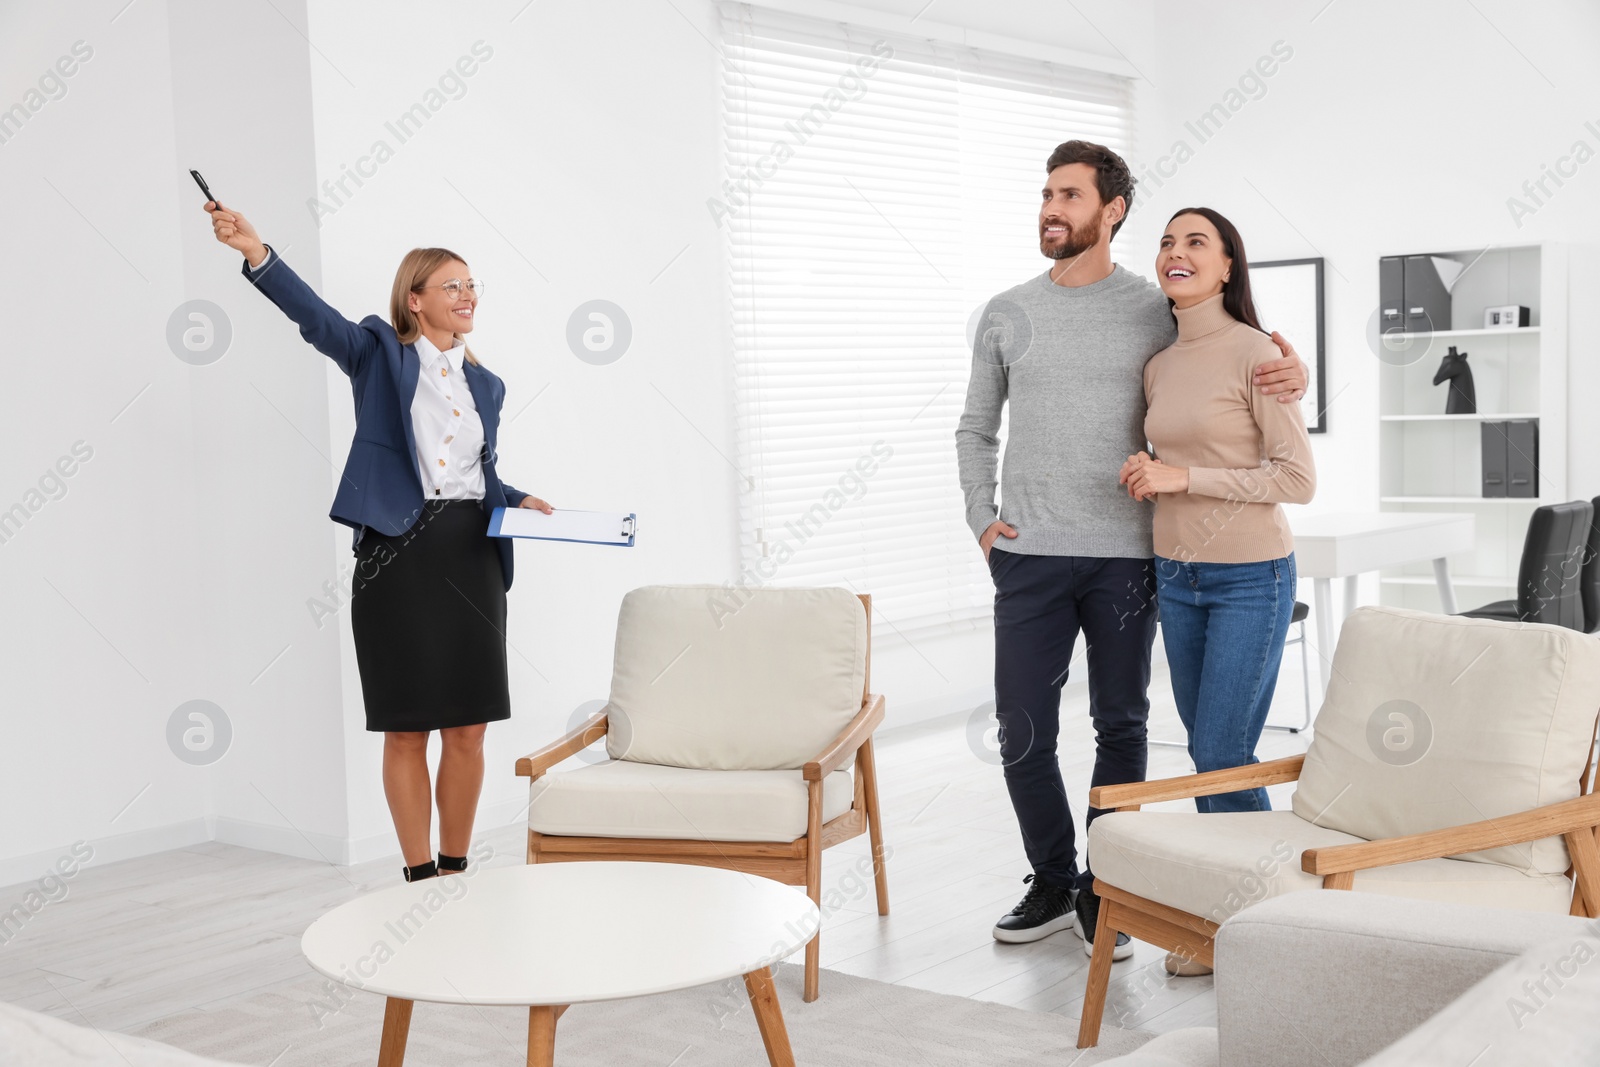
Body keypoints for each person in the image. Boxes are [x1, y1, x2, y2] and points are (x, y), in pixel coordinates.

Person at [955, 142, 1307, 961]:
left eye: (1069, 194)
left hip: (1131, 556)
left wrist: (1294, 371)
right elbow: (976, 428)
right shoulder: (1005, 311)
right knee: (1022, 727)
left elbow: (1234, 353)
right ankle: (1052, 877)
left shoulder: (1157, 308)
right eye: (1046, 192)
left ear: (1110, 210)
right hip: (1029, 553)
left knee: (1125, 724)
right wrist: (982, 518)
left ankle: (1105, 887)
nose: (1051, 206)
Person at [205, 200, 551, 883]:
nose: (467, 295)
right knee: (406, 725)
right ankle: (419, 876)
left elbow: (474, 472)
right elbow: (317, 320)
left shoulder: (488, 383)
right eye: (451, 286)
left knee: (470, 726)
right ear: (414, 300)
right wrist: (256, 251)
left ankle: (455, 869)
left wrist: (516, 497)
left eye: (472, 284)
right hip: (400, 554)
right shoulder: (378, 354)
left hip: (471, 554)